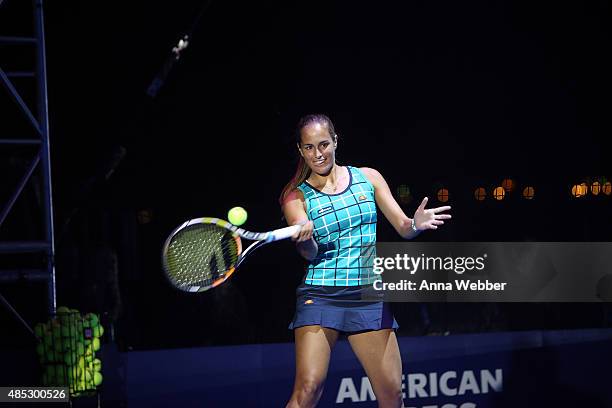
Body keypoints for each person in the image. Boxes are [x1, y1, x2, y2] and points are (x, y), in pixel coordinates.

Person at [280, 114, 452, 408]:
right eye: (309, 148)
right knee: (308, 389)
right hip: (321, 294)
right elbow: (309, 254)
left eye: (323, 144)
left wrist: (415, 224)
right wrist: (305, 239)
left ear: (335, 141)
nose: (317, 154)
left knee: (392, 395)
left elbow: (403, 227)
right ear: (300, 150)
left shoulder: (368, 178)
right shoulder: (295, 197)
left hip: (367, 294)